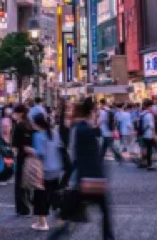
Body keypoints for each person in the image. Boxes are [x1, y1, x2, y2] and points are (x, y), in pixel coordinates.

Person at [49, 98, 114, 240]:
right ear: (90, 113)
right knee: (104, 213)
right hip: (96, 178)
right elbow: (95, 154)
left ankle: (56, 235)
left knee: (72, 215)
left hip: (83, 179)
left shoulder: (77, 129)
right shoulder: (89, 130)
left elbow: (73, 156)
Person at [29, 113, 64, 232]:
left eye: (32, 122)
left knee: (40, 196)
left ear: (37, 123)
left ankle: (42, 222)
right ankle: (60, 216)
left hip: (44, 170)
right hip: (56, 168)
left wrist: (30, 150)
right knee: (53, 193)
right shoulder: (55, 133)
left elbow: (40, 154)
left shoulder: (38, 136)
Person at [11, 104, 33, 216]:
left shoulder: (18, 126)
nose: (14, 115)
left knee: (19, 182)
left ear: (20, 113)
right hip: (30, 156)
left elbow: (14, 145)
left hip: (21, 157)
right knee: (27, 181)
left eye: (15, 113)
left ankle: (22, 208)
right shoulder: (30, 124)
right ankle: (28, 203)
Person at [138, 99, 157, 170]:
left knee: (144, 148)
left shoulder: (142, 114)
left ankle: (144, 162)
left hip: (143, 133)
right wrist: (154, 135)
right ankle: (149, 165)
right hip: (149, 134)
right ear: (150, 106)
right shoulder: (149, 115)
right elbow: (151, 126)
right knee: (150, 149)